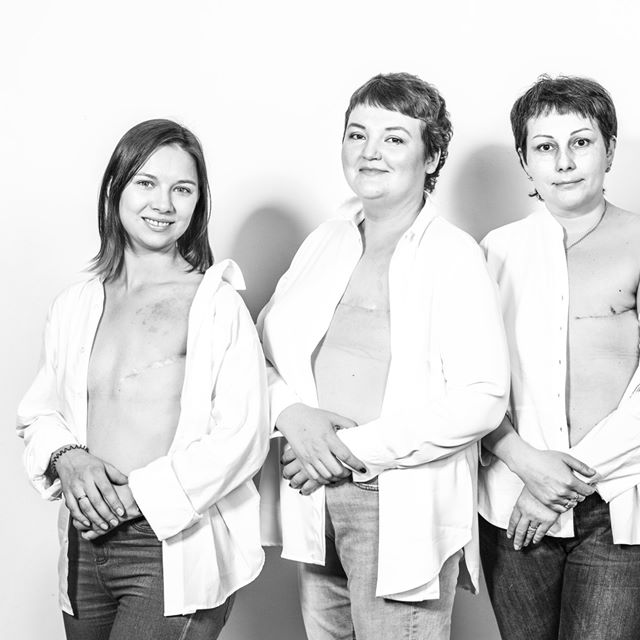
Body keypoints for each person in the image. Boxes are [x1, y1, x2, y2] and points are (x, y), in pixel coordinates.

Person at [257, 72, 509, 640]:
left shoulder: (453, 255)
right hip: (313, 495)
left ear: (431, 156)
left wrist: (346, 450)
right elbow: (253, 349)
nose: (370, 152)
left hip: (395, 500)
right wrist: (293, 417)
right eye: (357, 134)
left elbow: (483, 398)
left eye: (394, 138)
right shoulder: (325, 240)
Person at [17, 119, 270, 639]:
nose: (164, 204)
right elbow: (39, 413)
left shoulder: (214, 304)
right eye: (147, 183)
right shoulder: (76, 305)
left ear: (198, 203)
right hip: (84, 545)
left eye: (183, 189)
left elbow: (242, 437)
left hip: (166, 543)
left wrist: (138, 499)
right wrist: (68, 458)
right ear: (116, 187)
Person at [477, 75, 640, 640]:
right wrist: (529, 467)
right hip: (514, 498)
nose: (564, 162)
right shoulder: (496, 251)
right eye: (544, 146)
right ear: (525, 160)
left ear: (609, 149)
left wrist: (562, 485)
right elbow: (469, 382)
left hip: (619, 503)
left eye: (581, 142)